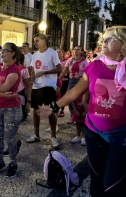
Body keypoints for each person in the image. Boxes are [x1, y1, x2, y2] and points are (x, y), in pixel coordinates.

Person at [39, 26, 126, 196]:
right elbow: (74, 91)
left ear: (123, 45)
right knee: (97, 180)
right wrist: (53, 107)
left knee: (112, 185)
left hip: (121, 137)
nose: (104, 42)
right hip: (93, 133)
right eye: (104, 39)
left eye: (110, 39)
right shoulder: (95, 67)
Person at [0, 43, 22, 178]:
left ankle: (13, 163)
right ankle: (0, 161)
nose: (2, 53)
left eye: (6, 51)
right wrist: (1, 93)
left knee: (10, 137)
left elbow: (4, 87)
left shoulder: (14, 70)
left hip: (12, 108)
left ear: (13, 53)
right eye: (1, 51)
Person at [25, 33, 62, 149]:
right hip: (37, 87)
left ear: (44, 40)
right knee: (36, 112)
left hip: (49, 86)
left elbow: (59, 68)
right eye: (34, 41)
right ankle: (36, 134)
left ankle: (53, 136)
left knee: (50, 112)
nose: (35, 43)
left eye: (37, 40)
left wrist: (45, 72)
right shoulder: (34, 55)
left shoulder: (52, 53)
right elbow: (33, 70)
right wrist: (31, 80)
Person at [59, 46, 88, 124]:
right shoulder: (70, 60)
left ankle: (83, 117)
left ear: (82, 52)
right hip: (71, 81)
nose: (76, 51)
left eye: (78, 49)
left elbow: (87, 73)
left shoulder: (84, 61)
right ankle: (73, 116)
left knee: (81, 99)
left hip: (81, 81)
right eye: (75, 49)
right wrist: (58, 79)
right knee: (70, 99)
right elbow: (64, 71)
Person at [16, 53, 31, 122]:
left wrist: (28, 101)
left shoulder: (23, 69)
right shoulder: (6, 67)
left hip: (20, 92)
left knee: (19, 117)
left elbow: (28, 86)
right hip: (9, 93)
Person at [56, 48, 69, 117]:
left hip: (64, 80)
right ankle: (57, 108)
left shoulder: (66, 61)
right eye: (57, 52)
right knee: (57, 94)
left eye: (59, 52)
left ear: (63, 53)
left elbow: (67, 71)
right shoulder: (54, 61)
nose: (58, 53)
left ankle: (62, 109)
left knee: (62, 94)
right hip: (55, 80)